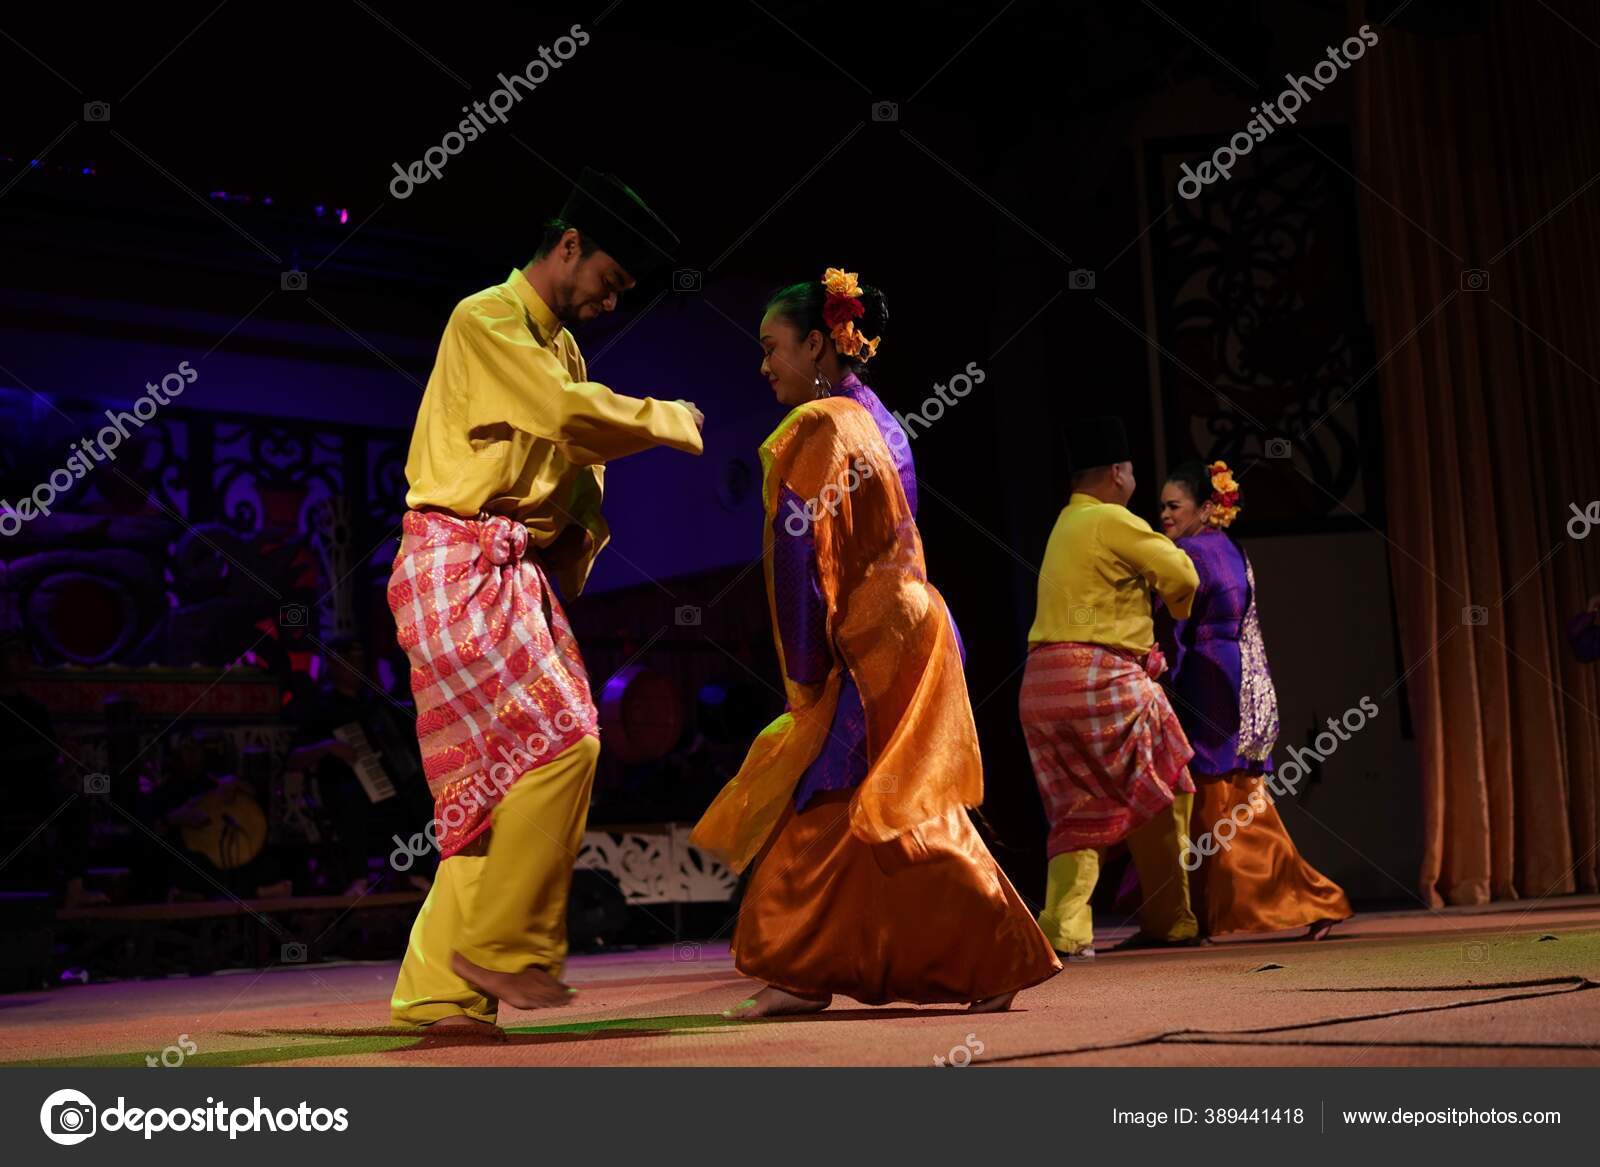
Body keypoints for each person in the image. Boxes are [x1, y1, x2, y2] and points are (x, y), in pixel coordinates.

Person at [692, 267, 1060, 1018]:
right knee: (882, 794)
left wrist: (803, 662)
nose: (763, 365)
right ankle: (953, 956)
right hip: (914, 616)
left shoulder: (821, 426)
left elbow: (800, 551)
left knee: (836, 792)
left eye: (772, 347)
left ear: (822, 341)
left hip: (873, 633)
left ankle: (959, 952)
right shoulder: (878, 416)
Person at [387, 168, 705, 1034]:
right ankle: (506, 948)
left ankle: (441, 992)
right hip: (454, 562)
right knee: (564, 739)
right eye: (609, 282)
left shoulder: (560, 346)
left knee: (493, 788)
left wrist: (564, 566)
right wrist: (668, 418)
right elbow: (566, 418)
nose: (609, 303)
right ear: (569, 246)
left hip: (508, 572)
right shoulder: (484, 319)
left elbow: (575, 481)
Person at [1021, 416, 1201, 959]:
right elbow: (1185, 576)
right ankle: (1171, 918)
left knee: (1077, 808)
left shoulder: (1063, 524)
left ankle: (1064, 927)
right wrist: (1170, 606)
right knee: (1169, 783)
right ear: (1119, 472)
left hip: (1041, 686)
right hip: (1099, 678)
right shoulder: (1111, 520)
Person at [1157, 460, 1350, 939]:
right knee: (1232, 798)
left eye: (1172, 505)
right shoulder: (1229, 549)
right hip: (1237, 675)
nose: (1163, 514)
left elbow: (1172, 623)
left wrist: (1161, 669)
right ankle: (1212, 911)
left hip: (1210, 678)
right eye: (1160, 505)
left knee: (1221, 800)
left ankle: (1306, 900)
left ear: (1205, 507)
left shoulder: (1188, 554)